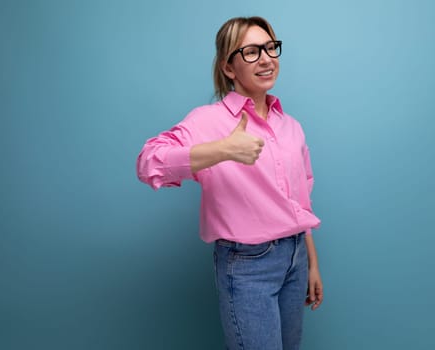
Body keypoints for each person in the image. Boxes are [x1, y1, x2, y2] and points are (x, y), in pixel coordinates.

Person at [137, 16, 323, 350]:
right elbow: (149, 161)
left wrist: (311, 262)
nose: (266, 58)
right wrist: (221, 150)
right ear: (228, 68)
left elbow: (300, 198)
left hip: (295, 259)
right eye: (251, 51)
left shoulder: (291, 126)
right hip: (248, 266)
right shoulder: (209, 121)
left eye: (270, 48)